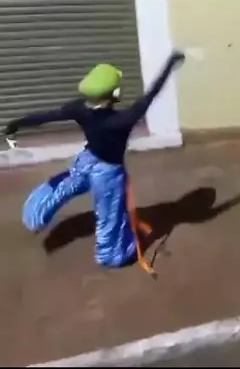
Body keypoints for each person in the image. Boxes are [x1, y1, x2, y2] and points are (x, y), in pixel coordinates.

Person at [2, 51, 185, 271]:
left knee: (64, 186)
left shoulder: (80, 108)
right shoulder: (121, 120)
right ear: (114, 93)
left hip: (85, 160)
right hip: (107, 173)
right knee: (110, 216)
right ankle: (112, 255)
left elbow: (47, 117)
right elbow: (150, 96)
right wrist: (169, 66)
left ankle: (35, 213)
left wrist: (16, 124)